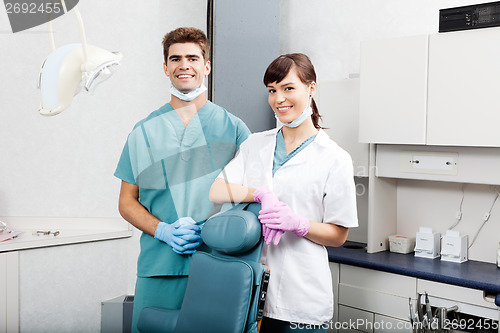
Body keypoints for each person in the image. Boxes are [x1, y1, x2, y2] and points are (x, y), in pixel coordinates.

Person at [209, 53, 358, 332]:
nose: (279, 99)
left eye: (288, 88)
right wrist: (259, 194)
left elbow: (339, 234)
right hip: (249, 293)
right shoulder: (255, 144)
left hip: (301, 298)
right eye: (272, 90)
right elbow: (217, 190)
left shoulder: (335, 158)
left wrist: (299, 224)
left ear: (311, 88)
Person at [114, 27, 250, 332]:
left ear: (207, 66)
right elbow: (126, 202)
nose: (184, 65)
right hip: (158, 268)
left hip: (218, 265)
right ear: (165, 68)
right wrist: (163, 230)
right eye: (175, 59)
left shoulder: (235, 129)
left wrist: (212, 230)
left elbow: (250, 198)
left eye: (193, 57)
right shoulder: (143, 131)